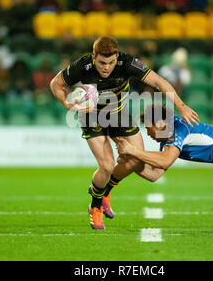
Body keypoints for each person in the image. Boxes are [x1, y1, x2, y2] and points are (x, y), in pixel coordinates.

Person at [50, 36, 199, 230]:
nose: (106, 67)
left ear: (117, 57)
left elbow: (160, 82)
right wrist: (66, 103)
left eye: (111, 62)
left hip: (119, 114)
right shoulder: (82, 66)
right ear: (93, 57)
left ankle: (105, 191)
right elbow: (56, 83)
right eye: (102, 63)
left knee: (135, 159)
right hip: (92, 116)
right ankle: (96, 206)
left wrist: (181, 106)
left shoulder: (127, 63)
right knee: (106, 166)